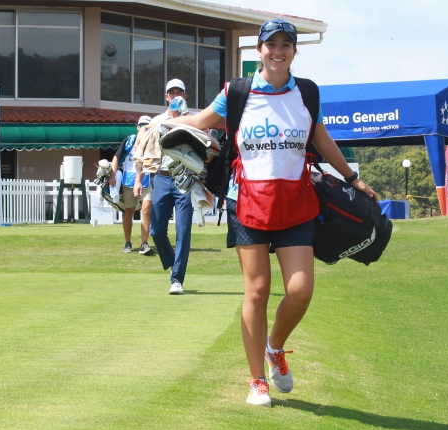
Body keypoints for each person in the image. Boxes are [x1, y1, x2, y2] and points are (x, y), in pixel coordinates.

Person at [158, 19, 377, 407]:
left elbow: (319, 136)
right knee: (257, 290)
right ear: (258, 50)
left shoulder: (306, 92)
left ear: (294, 51)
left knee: (300, 290)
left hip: (296, 202)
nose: (277, 51)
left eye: (285, 45)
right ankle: (257, 380)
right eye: (270, 44)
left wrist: (351, 178)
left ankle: (275, 347)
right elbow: (199, 122)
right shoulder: (236, 92)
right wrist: (165, 125)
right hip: (246, 202)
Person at [134, 79, 193, 295]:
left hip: (184, 178)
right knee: (157, 230)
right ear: (166, 97)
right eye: (172, 93)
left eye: (179, 93)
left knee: (183, 230)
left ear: (184, 96)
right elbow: (141, 141)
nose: (175, 96)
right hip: (161, 176)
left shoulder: (192, 118)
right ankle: (169, 260)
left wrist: (187, 118)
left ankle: (177, 278)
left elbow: (204, 133)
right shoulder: (158, 120)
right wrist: (139, 179)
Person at [109, 115, 154, 254]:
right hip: (128, 180)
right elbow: (116, 157)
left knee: (146, 209)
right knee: (129, 210)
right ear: (138, 127)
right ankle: (128, 242)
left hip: (146, 179)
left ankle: (144, 243)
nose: (144, 128)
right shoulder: (129, 140)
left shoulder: (153, 142)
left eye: (148, 125)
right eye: (142, 125)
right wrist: (112, 175)